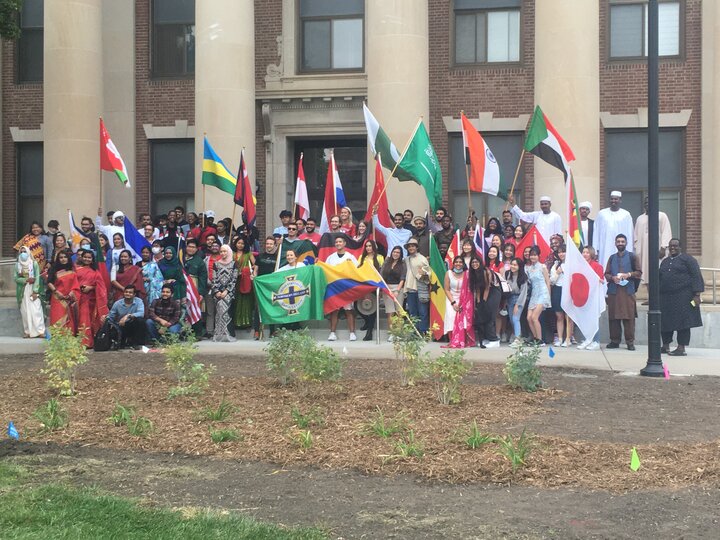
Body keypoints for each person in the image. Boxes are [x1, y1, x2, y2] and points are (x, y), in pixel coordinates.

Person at [659, 238, 704, 356]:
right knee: (664, 321)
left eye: (675, 246)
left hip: (683, 296)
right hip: (666, 297)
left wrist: (697, 294)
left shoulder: (688, 260)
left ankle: (681, 348)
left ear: (680, 247)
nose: (672, 248)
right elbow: (659, 278)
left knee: (683, 323)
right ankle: (665, 346)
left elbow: (696, 276)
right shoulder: (665, 261)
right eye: (670, 246)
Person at [604, 234, 641, 350]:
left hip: (627, 291)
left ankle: (630, 342)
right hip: (614, 291)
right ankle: (614, 341)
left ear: (626, 243)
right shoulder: (612, 257)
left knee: (628, 318)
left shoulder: (632, 257)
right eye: (618, 241)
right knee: (613, 318)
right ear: (615, 243)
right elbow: (606, 273)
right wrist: (612, 278)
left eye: (622, 241)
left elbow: (639, 272)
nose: (620, 243)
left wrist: (628, 275)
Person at [634, 196, 672, 298]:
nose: (647, 204)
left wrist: (664, 247)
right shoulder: (640, 218)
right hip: (644, 251)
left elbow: (666, 232)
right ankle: (651, 298)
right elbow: (636, 236)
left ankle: (658, 298)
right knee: (646, 274)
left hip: (657, 250)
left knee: (658, 274)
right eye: (645, 203)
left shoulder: (662, 216)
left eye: (649, 202)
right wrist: (637, 251)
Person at [326, 236, 358, 341]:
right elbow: (326, 270)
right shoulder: (330, 257)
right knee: (334, 311)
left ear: (344, 243)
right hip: (334, 288)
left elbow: (356, 271)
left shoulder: (350, 257)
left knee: (348, 311)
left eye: (340, 241)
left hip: (346, 288)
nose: (338, 243)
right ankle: (332, 333)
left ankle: (352, 333)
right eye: (336, 242)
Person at [593, 191, 634, 270]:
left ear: (620, 200)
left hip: (621, 247)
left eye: (616, 199)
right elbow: (596, 232)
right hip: (605, 247)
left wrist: (629, 251)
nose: (613, 201)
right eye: (612, 199)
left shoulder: (626, 215)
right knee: (604, 266)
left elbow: (630, 234)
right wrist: (595, 250)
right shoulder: (602, 214)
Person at [75, 249, 108, 348]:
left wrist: (91, 288)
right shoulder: (76, 269)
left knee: (86, 320)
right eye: (85, 257)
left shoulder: (96, 272)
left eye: (89, 257)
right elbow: (72, 282)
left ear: (92, 259)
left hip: (90, 300)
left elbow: (101, 287)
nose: (87, 259)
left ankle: (86, 342)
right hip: (77, 298)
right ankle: (77, 342)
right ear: (81, 257)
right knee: (77, 319)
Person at [577, 246, 605, 351]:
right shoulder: (580, 266)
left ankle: (596, 341)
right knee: (585, 319)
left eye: (587, 252)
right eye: (583, 252)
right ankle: (587, 339)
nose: (585, 254)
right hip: (583, 296)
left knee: (594, 319)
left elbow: (601, 280)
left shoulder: (597, 266)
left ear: (591, 254)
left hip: (593, 297)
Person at [14, 247, 45, 338]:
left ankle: (40, 331)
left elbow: (37, 277)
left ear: (29, 252)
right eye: (21, 252)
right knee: (25, 311)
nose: (23, 253)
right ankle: (27, 331)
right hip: (22, 290)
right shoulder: (17, 265)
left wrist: (35, 291)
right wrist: (26, 279)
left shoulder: (34, 263)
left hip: (33, 289)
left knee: (36, 310)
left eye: (25, 251)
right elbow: (15, 278)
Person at [468, 256, 500, 348]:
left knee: (489, 315)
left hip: (493, 292)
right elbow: (478, 289)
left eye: (476, 262)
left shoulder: (486, 271)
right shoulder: (474, 273)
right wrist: (478, 302)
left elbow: (487, 288)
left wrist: (484, 302)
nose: (474, 264)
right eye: (473, 262)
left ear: (480, 262)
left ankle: (494, 340)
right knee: (482, 315)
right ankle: (486, 338)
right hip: (483, 293)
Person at [46, 249, 80, 332]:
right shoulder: (54, 269)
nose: (63, 259)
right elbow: (49, 282)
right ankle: (56, 341)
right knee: (57, 317)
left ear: (68, 258)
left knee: (69, 320)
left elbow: (75, 285)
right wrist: (57, 292)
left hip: (69, 299)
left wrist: (70, 295)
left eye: (65, 257)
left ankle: (68, 341)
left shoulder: (72, 271)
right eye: (61, 257)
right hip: (57, 298)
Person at [445, 256, 475, 348]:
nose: (458, 264)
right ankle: (452, 341)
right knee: (451, 317)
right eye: (456, 262)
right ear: (453, 263)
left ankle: (464, 341)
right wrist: (453, 303)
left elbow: (469, 290)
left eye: (460, 262)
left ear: (463, 264)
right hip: (451, 298)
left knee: (465, 319)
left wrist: (463, 303)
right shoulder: (449, 273)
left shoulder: (467, 274)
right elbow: (446, 289)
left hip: (465, 299)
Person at [253, 236, 280, 339]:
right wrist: (254, 276)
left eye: (271, 244)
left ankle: (272, 331)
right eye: (267, 243)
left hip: (271, 286)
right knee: (258, 308)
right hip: (260, 286)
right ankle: (257, 331)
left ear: (274, 245)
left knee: (271, 307)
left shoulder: (277, 258)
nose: (269, 245)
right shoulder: (260, 256)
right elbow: (256, 270)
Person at [356, 240, 384, 341]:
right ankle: (367, 322)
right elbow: (358, 271)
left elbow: (382, 272)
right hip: (363, 285)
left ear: (374, 247)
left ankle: (369, 332)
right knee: (357, 306)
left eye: (370, 246)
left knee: (372, 309)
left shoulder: (380, 258)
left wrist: (380, 288)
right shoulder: (361, 258)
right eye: (366, 246)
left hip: (374, 286)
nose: (368, 248)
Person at [210, 245, 238, 342]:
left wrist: (226, 291)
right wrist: (217, 291)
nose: (223, 253)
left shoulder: (234, 264)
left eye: (225, 251)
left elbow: (234, 280)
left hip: (229, 292)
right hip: (218, 292)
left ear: (229, 252)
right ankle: (218, 335)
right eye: (221, 251)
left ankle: (229, 335)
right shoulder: (216, 264)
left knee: (227, 312)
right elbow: (214, 279)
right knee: (219, 312)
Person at [404, 238, 431, 334]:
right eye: (409, 246)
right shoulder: (406, 259)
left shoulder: (422, 258)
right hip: (410, 288)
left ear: (416, 247)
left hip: (420, 287)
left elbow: (429, 272)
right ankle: (414, 332)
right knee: (412, 312)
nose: (411, 248)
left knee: (423, 312)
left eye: (412, 246)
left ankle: (423, 331)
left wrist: (423, 273)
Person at [107, 284, 146, 349]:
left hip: (133, 326)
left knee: (140, 321)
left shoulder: (139, 301)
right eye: (126, 292)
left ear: (134, 294)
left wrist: (128, 316)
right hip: (122, 326)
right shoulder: (117, 303)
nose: (128, 294)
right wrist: (106, 318)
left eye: (130, 292)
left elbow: (141, 313)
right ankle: (120, 342)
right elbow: (111, 317)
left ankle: (136, 343)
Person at [526, 246, 551, 346]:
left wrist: (548, 296)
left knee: (535, 317)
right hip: (534, 294)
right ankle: (535, 337)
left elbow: (547, 282)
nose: (533, 257)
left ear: (539, 256)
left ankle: (540, 340)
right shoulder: (528, 268)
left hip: (543, 293)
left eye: (535, 255)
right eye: (531, 255)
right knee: (529, 318)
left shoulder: (542, 267)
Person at [379, 246, 406, 341]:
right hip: (387, 288)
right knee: (390, 312)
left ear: (400, 254)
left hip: (398, 288)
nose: (396, 254)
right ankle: (392, 333)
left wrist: (397, 291)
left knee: (399, 312)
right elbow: (381, 275)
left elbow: (403, 278)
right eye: (394, 252)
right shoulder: (387, 262)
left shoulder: (402, 264)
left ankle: (398, 333)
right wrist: (385, 288)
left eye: (398, 252)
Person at [183, 238, 208, 337]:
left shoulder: (200, 261)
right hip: (182, 286)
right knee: (183, 309)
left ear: (197, 249)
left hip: (194, 287)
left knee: (194, 309)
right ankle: (184, 333)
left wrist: (201, 293)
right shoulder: (181, 258)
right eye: (189, 246)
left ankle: (197, 333)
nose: (191, 249)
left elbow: (203, 278)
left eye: (193, 247)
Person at [549, 245, 572, 347]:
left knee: (568, 316)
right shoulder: (555, 265)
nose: (561, 254)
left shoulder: (572, 264)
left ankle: (568, 338)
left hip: (569, 290)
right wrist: (557, 273)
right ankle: (560, 338)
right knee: (559, 316)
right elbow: (551, 281)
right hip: (558, 289)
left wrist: (566, 271)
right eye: (559, 252)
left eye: (563, 252)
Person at [233, 236, 256, 329]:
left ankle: (246, 322)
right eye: (239, 243)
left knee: (246, 301)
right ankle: (236, 323)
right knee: (236, 301)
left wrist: (250, 273)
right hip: (234, 281)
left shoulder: (248, 254)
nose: (240, 245)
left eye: (242, 243)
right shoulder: (232, 253)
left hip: (245, 280)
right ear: (235, 244)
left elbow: (255, 265)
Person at [505, 258, 528, 347]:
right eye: (512, 264)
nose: (513, 266)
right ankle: (517, 336)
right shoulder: (508, 274)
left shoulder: (523, 277)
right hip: (510, 299)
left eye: (515, 265)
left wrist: (518, 305)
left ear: (519, 266)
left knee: (515, 318)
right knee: (511, 320)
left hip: (519, 299)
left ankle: (518, 339)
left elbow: (523, 293)